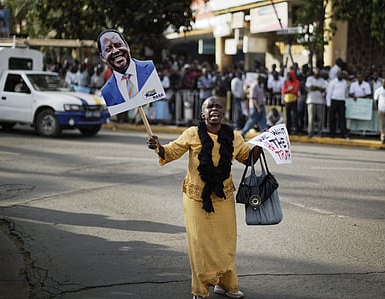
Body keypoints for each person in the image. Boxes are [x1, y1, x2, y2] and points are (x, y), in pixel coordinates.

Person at [147, 96, 262, 299]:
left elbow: (247, 158)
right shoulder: (192, 133)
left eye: (218, 106)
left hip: (223, 196)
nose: (214, 109)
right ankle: (200, 289)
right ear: (203, 113)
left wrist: (262, 146)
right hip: (196, 197)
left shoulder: (234, 136)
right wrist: (158, 146)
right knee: (200, 244)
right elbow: (171, 151)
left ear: (223, 113)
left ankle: (226, 284)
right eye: (210, 107)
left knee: (226, 243)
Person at [97, 29, 156, 106]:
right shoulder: (107, 91)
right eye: (108, 49)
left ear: (127, 46)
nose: (115, 51)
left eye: (118, 45)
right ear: (103, 57)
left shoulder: (149, 69)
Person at [305, 67, 328, 137]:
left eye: (318, 72)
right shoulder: (309, 79)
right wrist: (319, 88)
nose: (317, 74)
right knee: (311, 118)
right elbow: (310, 88)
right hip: (311, 101)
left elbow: (324, 89)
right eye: (315, 72)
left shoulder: (323, 81)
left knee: (320, 118)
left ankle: (319, 133)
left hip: (320, 101)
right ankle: (310, 133)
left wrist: (316, 88)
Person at [326, 70, 349, 138]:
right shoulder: (332, 82)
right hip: (334, 101)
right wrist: (328, 104)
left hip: (342, 101)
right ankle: (332, 133)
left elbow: (346, 93)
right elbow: (329, 93)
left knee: (342, 118)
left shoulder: (345, 82)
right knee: (332, 118)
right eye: (339, 74)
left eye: (342, 75)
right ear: (337, 75)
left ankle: (343, 133)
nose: (340, 76)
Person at [281, 70, 300, 134]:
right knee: (287, 115)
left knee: (294, 115)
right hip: (287, 100)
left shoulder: (296, 81)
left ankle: (294, 128)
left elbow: (295, 90)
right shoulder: (286, 82)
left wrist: (288, 90)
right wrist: (289, 89)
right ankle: (287, 129)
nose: (289, 77)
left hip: (294, 100)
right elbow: (283, 91)